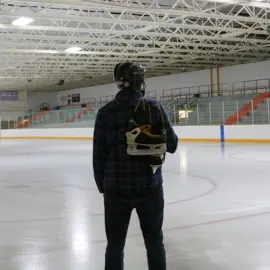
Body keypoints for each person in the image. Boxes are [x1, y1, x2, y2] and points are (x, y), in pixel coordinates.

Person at [93, 60, 178, 270]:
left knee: (115, 244)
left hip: (115, 189)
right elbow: (173, 145)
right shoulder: (154, 107)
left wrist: (104, 186)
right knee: (154, 243)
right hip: (149, 187)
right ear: (139, 81)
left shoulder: (105, 113)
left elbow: (98, 155)